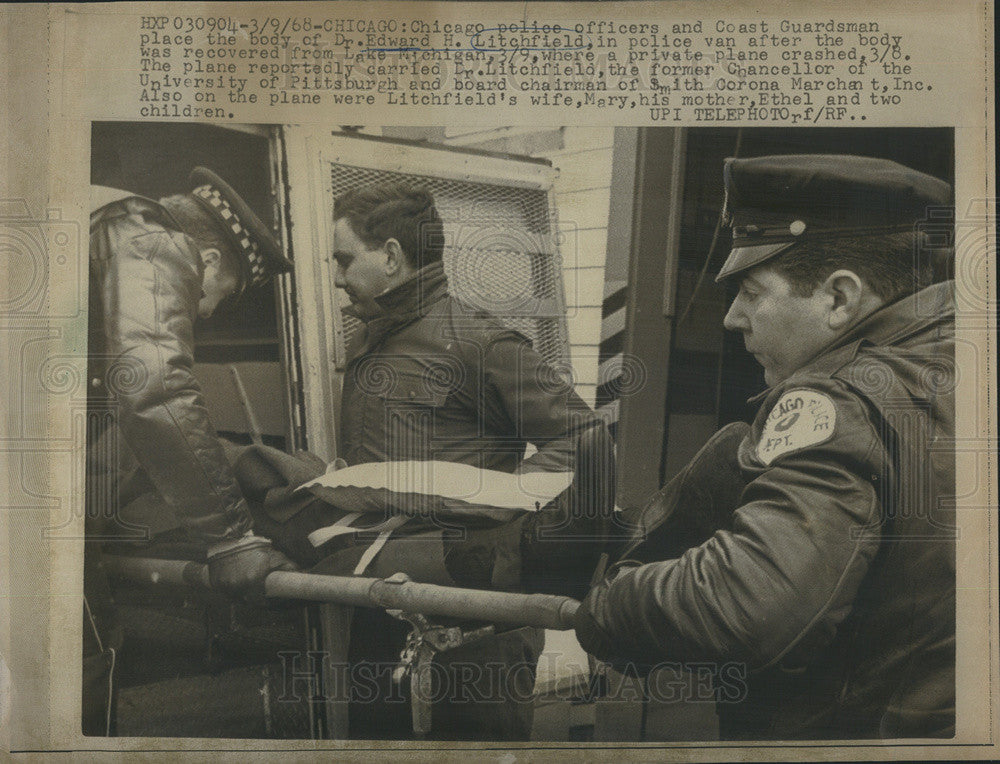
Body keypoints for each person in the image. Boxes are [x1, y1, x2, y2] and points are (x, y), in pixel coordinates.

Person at [573, 154, 956, 740]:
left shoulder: (839, 402)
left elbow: (749, 607)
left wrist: (610, 604)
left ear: (839, 299)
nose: (732, 318)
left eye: (752, 292)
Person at [330, 181, 603, 740]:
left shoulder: (481, 343)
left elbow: (584, 436)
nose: (336, 276)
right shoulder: (365, 344)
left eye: (343, 259)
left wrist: (500, 499)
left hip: (474, 626)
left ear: (391, 256)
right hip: (380, 612)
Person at [84, 167, 295, 734]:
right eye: (219, 296)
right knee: (81, 658)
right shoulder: (155, 239)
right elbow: (152, 385)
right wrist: (230, 537)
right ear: (211, 258)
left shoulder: (95, 219)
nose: (204, 311)